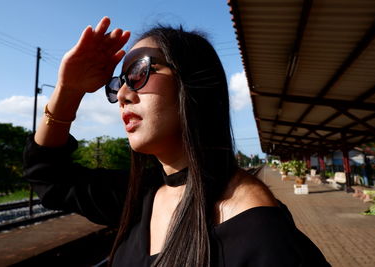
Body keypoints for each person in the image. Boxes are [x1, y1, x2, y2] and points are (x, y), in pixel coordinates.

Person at [23, 17, 330, 266]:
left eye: (140, 72)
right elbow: (47, 177)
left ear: (194, 84)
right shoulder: (142, 195)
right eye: (119, 84)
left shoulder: (260, 234)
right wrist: (68, 89)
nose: (122, 95)